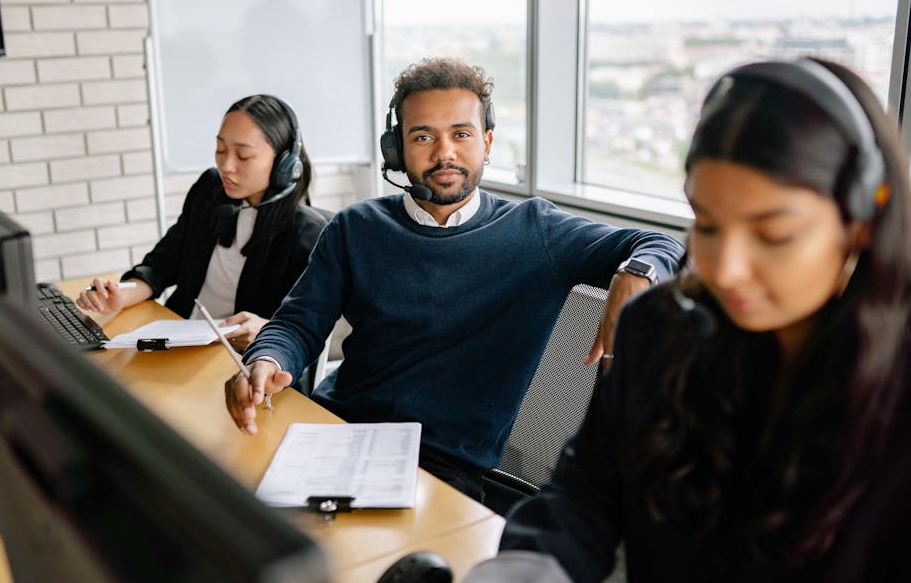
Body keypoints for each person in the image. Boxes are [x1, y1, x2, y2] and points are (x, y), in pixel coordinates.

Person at [453, 58, 911, 583]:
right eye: (706, 224)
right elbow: (582, 500)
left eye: (773, 234)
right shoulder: (662, 330)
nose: (726, 270)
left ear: (862, 219)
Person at [225, 57, 684, 500]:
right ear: (397, 148)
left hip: (443, 463)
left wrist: (634, 274)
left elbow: (663, 244)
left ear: (485, 143)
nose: (444, 152)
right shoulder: (355, 227)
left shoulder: (536, 231)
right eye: (423, 136)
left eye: (461, 134)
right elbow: (298, 324)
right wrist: (264, 358)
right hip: (338, 427)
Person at [77, 95, 328, 351]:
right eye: (220, 150)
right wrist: (120, 297)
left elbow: (305, 325)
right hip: (180, 339)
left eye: (243, 156)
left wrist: (266, 329)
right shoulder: (209, 191)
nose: (226, 166)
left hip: (239, 359)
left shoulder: (305, 234)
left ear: (285, 165)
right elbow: (161, 265)